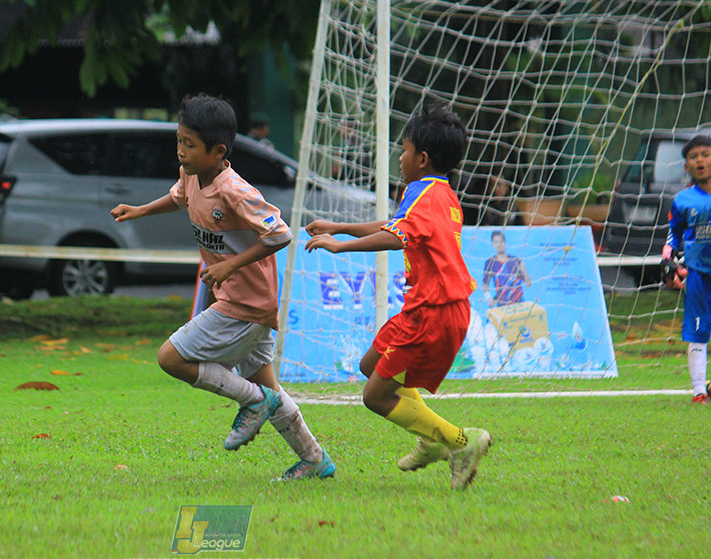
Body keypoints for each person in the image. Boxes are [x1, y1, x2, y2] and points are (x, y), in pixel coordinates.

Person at [110, 93, 335, 480]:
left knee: (170, 357)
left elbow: (280, 233)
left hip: (246, 303)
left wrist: (230, 264)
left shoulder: (235, 191)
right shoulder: (192, 175)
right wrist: (141, 210)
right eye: (179, 141)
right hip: (242, 301)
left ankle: (253, 403)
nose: (180, 151)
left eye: (190, 145)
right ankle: (315, 460)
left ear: (218, 151)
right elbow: (178, 197)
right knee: (266, 383)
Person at [304, 100, 491, 491]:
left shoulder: (423, 194)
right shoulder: (438, 192)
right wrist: (340, 226)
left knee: (374, 397)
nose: (399, 157)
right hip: (428, 306)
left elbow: (396, 236)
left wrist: (339, 247)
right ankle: (432, 440)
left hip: (434, 309)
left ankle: (459, 441)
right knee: (370, 365)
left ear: (421, 158)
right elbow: (397, 224)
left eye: (403, 150)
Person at [662, 134, 711, 404]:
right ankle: (698, 391)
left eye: (705, 154)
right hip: (698, 274)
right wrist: (668, 259)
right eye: (694, 157)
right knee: (698, 331)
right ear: (687, 166)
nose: (700, 160)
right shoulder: (683, 200)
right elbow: (674, 233)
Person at [483, 229, 532, 307]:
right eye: (496, 242)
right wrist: (489, 299)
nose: (499, 244)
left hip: (519, 305)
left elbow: (528, 284)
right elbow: (485, 285)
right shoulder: (490, 263)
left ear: (505, 243)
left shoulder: (516, 261)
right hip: (502, 307)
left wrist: (524, 270)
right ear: (493, 244)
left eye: (501, 241)